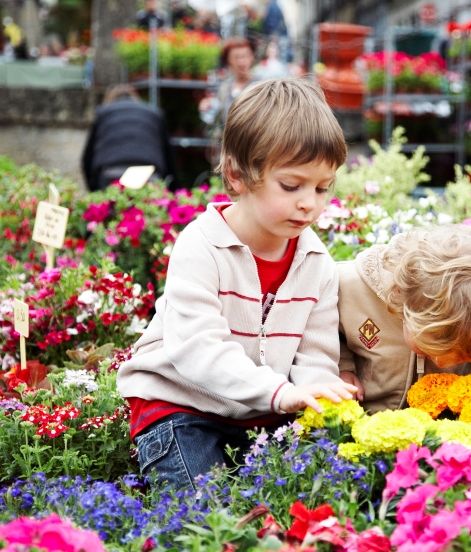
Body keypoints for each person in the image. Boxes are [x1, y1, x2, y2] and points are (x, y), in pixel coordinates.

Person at [117, 78, 356, 490]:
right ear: (237, 175)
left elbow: (315, 355)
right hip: (181, 406)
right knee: (207, 511)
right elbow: (198, 348)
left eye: (322, 188)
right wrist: (279, 393)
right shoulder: (202, 245)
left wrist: (320, 393)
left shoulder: (316, 262)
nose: (309, 203)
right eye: (291, 185)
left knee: (318, 488)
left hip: (264, 411)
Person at [337, 225, 471, 413]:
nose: (443, 363)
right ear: (402, 299)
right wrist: (341, 367)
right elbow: (325, 329)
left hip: (451, 421)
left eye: (463, 355)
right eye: (429, 349)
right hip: (366, 417)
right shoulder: (350, 286)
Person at [81, 84, 176, 191]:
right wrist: (172, 191)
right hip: (149, 173)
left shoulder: (103, 113)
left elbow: (87, 158)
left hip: (110, 172)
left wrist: (94, 190)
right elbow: (169, 157)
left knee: (111, 206)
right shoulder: (153, 113)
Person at [199, 38, 259, 128]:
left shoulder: (261, 85)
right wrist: (207, 106)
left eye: (245, 56)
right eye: (236, 57)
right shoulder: (225, 87)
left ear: (252, 57)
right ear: (228, 61)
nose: (241, 61)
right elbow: (216, 114)